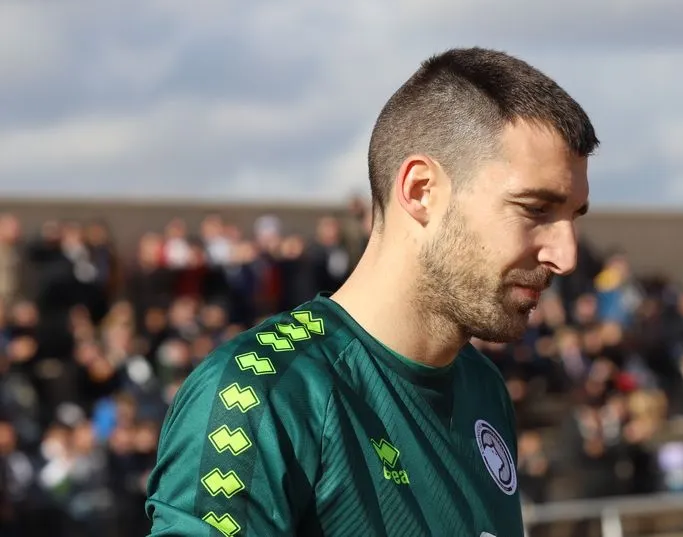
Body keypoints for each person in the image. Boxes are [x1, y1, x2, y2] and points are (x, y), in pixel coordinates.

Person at [144, 47, 599, 536]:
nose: (566, 255)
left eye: (572, 217)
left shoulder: (483, 388)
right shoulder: (260, 389)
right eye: (534, 210)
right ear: (421, 190)